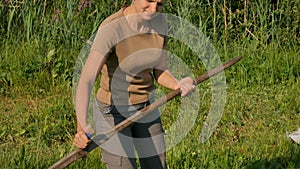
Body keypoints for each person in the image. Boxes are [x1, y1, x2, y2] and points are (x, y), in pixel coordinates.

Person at [73, 0, 196, 168]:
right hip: (112, 111)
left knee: (157, 165)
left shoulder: (160, 23)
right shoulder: (112, 28)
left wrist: (177, 84)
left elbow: (160, 70)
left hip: (146, 107)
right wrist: (81, 127)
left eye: (160, 4)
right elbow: (86, 79)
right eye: (150, 1)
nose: (154, 9)